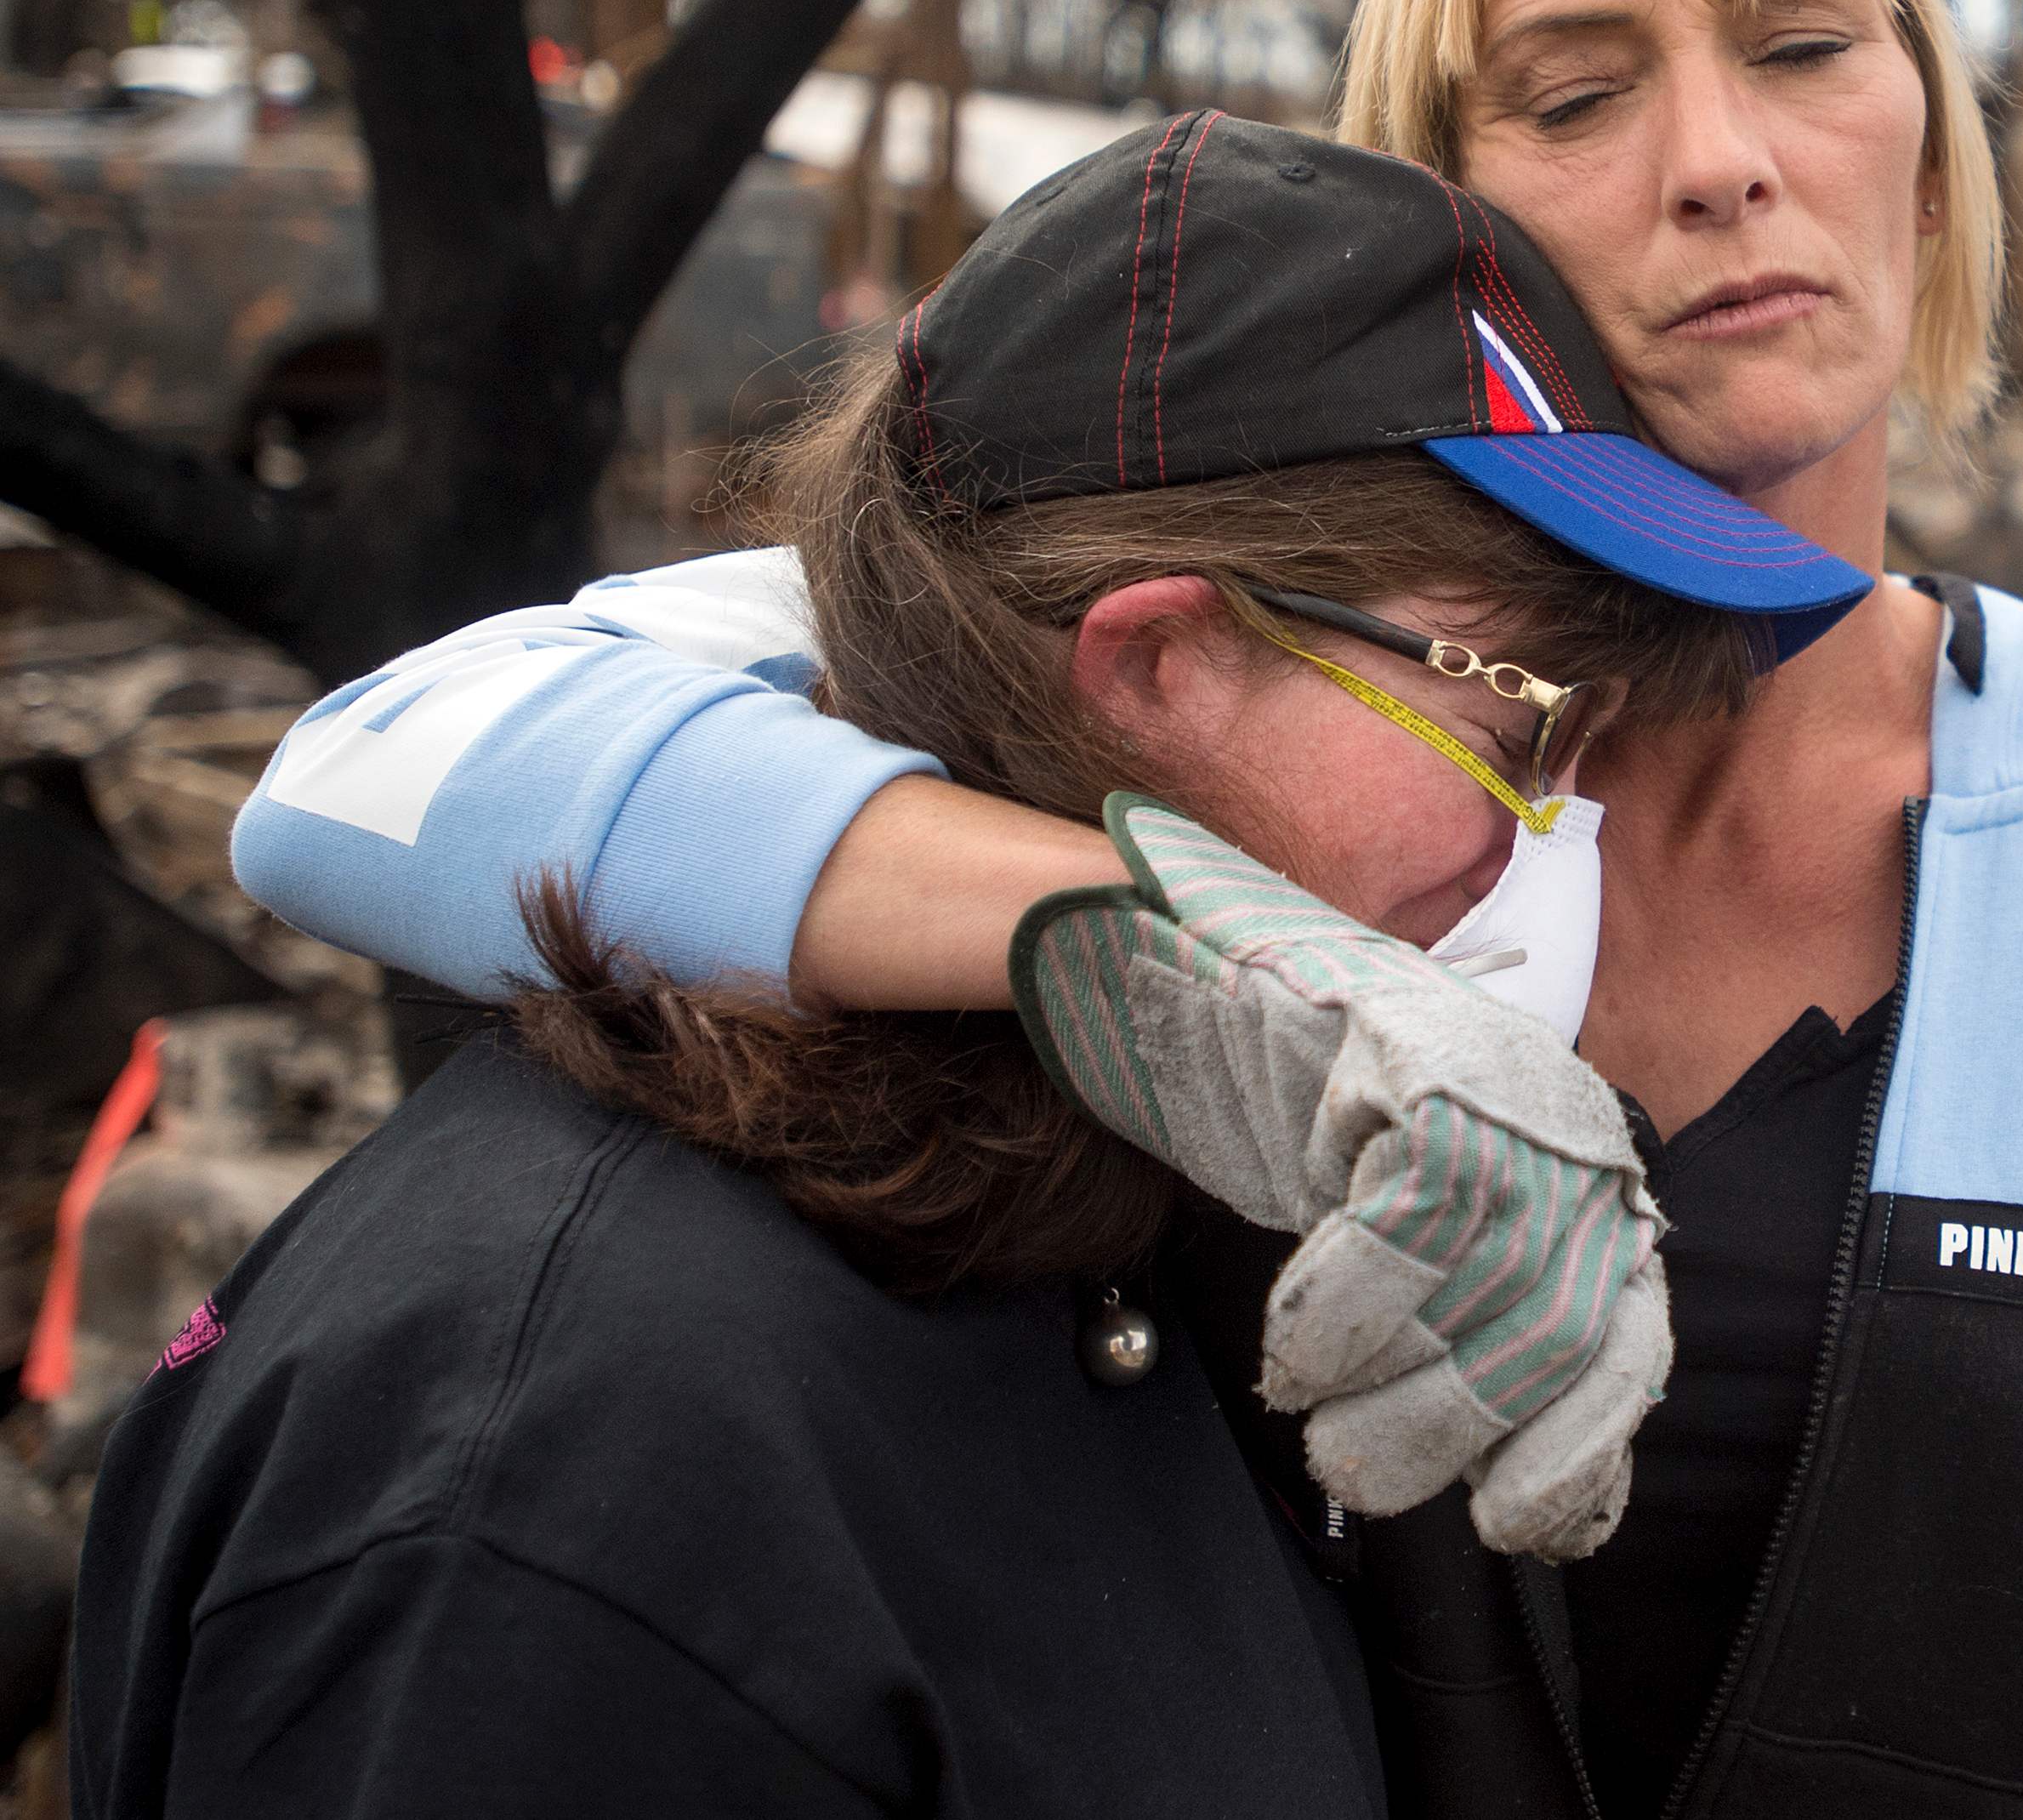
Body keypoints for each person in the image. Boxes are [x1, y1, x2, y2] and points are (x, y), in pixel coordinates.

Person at [232, 0, 2023, 1818]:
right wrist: (1167, 947)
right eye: (1572, 94)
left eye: (1801, 45)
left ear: (1931, 138)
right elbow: (389, 763)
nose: (1720, 161)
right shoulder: (1232, 672)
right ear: (1433, 227)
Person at [81, 120, 1877, 1816]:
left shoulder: (1177, 1199)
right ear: (1165, 663)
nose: (1548, 840)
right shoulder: (567, 1456)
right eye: (1524, 728)